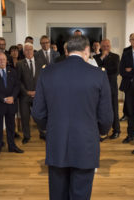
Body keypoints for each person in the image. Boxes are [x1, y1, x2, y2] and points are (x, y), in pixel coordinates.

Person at [32, 35, 113, 200]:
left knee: (57, 194)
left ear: (66, 51)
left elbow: (38, 112)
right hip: (86, 142)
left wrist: (49, 129)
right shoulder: (98, 75)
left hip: (57, 141)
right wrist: (100, 133)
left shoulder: (47, 72)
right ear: (87, 51)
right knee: (81, 194)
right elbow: (106, 117)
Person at [0, 52, 24, 159]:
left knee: (11, 127)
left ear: (6, 60)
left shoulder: (12, 71)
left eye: (3, 59)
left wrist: (12, 96)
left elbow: (17, 86)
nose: (2, 61)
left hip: (11, 104)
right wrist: (4, 99)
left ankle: (12, 146)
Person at [17, 42, 46, 144]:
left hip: (38, 95)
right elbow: (18, 81)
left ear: (33, 51)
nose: (28, 51)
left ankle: (42, 133)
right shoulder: (20, 63)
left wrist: (38, 91)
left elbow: (44, 79)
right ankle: (26, 136)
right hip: (25, 96)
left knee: (39, 115)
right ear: (23, 52)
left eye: (30, 49)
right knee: (25, 117)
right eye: (26, 50)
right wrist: (26, 92)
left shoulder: (41, 62)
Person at [94, 39, 120, 140]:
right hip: (98, 88)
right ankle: (101, 131)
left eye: (107, 46)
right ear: (100, 46)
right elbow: (95, 70)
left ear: (110, 46)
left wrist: (103, 69)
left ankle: (116, 130)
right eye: (104, 46)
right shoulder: (96, 57)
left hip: (111, 87)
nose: (105, 48)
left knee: (114, 109)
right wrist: (102, 58)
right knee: (98, 109)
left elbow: (116, 71)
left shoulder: (115, 56)